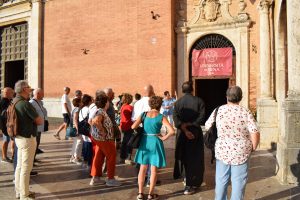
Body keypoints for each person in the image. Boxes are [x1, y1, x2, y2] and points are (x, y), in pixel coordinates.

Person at [205, 86, 260, 200]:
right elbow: (254, 131)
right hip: (241, 151)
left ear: (226, 97)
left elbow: (207, 125)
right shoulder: (245, 112)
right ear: (241, 98)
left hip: (222, 150)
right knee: (238, 182)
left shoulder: (219, 110)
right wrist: (253, 147)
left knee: (221, 180)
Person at [133, 96, 175, 200]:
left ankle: (140, 193)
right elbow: (172, 131)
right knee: (154, 170)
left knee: (142, 169)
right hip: (156, 142)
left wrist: (142, 129)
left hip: (145, 141)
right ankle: (151, 194)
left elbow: (133, 126)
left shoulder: (144, 114)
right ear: (160, 105)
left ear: (150, 104)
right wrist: (163, 138)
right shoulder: (161, 116)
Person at [173, 81, 205, 195]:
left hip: (182, 133)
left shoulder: (177, 103)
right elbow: (201, 118)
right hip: (195, 132)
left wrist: (184, 128)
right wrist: (191, 125)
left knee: (183, 155)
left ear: (182, 90)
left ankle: (186, 178)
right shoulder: (199, 101)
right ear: (192, 89)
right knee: (195, 157)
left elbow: (176, 120)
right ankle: (192, 183)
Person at [14, 80, 43, 199]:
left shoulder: (15, 101)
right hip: (27, 138)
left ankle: (19, 191)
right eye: (29, 88)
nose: (30, 90)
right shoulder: (25, 104)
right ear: (24, 89)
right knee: (26, 167)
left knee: (20, 166)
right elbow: (39, 120)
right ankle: (24, 195)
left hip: (19, 137)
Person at [89, 93, 121, 187]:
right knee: (111, 156)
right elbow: (95, 121)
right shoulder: (101, 112)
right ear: (106, 103)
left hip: (99, 139)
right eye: (107, 101)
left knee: (99, 156)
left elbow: (91, 121)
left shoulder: (98, 111)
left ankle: (95, 178)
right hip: (105, 139)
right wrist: (102, 130)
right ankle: (110, 179)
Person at [29, 88, 48, 162]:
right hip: (35, 128)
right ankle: (31, 160)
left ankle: (33, 158)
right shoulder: (31, 103)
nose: (43, 95)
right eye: (42, 94)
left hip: (40, 127)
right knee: (34, 144)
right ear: (38, 94)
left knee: (37, 143)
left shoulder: (40, 102)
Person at [0, 87, 15, 163]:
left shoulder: (10, 101)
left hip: (10, 124)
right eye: (11, 93)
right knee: (6, 140)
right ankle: (4, 156)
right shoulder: (3, 102)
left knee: (12, 140)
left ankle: (13, 155)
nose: (13, 94)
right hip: (6, 125)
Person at [119, 93, 134, 164]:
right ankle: (128, 158)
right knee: (129, 143)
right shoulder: (130, 107)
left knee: (124, 142)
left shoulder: (122, 106)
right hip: (129, 127)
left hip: (123, 126)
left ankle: (122, 157)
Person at [80, 94, 93, 169]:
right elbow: (90, 120)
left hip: (83, 129)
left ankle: (85, 161)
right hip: (88, 129)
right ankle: (89, 163)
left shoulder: (81, 109)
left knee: (85, 145)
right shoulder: (89, 109)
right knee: (89, 146)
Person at [70, 98, 82, 165]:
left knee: (75, 142)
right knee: (79, 142)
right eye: (81, 102)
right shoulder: (77, 109)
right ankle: (76, 158)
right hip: (76, 127)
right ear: (78, 103)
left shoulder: (74, 109)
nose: (82, 103)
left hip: (73, 127)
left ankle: (73, 157)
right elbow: (75, 119)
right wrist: (77, 129)